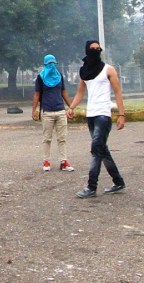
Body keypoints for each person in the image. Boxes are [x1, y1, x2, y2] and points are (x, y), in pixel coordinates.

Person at [68, 40, 126, 199]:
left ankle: (91, 186)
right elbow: (80, 93)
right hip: (91, 114)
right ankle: (118, 181)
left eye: (98, 48)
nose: (96, 50)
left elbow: (118, 92)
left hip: (103, 115)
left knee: (95, 149)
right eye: (93, 48)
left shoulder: (109, 69)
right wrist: (71, 107)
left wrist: (121, 115)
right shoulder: (84, 71)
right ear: (87, 50)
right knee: (102, 150)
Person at [32, 54, 75, 172]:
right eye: (49, 63)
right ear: (45, 64)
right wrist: (34, 110)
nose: (52, 65)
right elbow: (37, 94)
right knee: (47, 138)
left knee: (62, 138)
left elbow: (63, 91)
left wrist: (71, 107)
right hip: (47, 112)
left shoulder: (59, 76)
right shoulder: (40, 78)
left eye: (53, 63)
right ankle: (46, 161)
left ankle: (64, 161)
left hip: (60, 110)